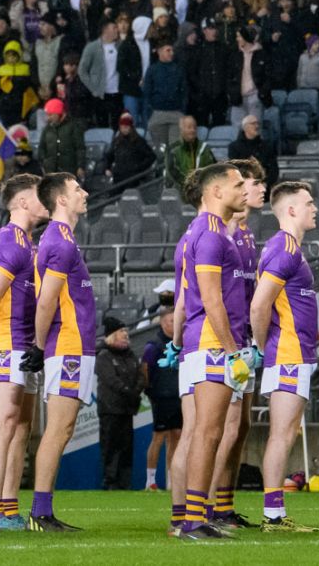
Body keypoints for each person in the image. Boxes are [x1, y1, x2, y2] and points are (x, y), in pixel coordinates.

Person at [174, 162, 249, 540]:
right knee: (207, 432)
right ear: (216, 191)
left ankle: (195, 516)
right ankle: (192, 519)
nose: (244, 190)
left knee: (211, 431)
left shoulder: (214, 232)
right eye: (237, 185)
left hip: (209, 342)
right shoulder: (209, 234)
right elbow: (210, 299)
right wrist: (234, 351)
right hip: (211, 342)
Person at [21, 172, 96, 531]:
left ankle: (42, 511)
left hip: (72, 345)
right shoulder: (60, 242)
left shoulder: (63, 238)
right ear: (61, 200)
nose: (84, 193)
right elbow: (47, 299)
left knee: (61, 429)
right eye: (77, 189)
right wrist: (38, 346)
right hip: (67, 345)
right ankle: (40, 512)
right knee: (58, 429)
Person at [249, 180, 319, 532]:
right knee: (281, 434)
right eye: (308, 203)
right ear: (291, 210)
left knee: (286, 433)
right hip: (288, 352)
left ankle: (275, 512)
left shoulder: (289, 248)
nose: (314, 208)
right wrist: (263, 348)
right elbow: (259, 304)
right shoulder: (285, 249)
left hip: (293, 352)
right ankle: (273, 514)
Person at [0, 174, 47, 528]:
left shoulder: (27, 242)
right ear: (22, 202)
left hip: (24, 345)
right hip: (6, 345)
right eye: (40, 196)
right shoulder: (10, 242)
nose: (47, 202)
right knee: (4, 424)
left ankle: (8, 505)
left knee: (21, 427)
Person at [207, 158, 268, 529]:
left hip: (243, 338)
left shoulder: (245, 234)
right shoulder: (223, 231)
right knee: (224, 427)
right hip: (224, 340)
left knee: (241, 425)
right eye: (253, 183)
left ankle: (224, 504)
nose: (259, 189)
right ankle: (208, 505)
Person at [97, 316, 143, 491]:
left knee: (126, 448)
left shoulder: (130, 355)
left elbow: (140, 376)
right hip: (110, 409)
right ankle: (110, 482)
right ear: (113, 335)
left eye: (126, 333)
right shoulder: (104, 355)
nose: (126, 336)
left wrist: (135, 390)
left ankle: (125, 482)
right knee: (110, 447)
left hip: (127, 409)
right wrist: (129, 391)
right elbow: (110, 380)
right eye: (122, 332)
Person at [140, 307, 180, 492]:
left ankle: (173, 480)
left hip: (178, 396)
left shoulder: (181, 343)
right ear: (163, 323)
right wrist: (151, 390)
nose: (175, 324)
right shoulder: (153, 345)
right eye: (171, 321)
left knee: (177, 437)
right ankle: (150, 480)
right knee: (159, 437)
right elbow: (145, 368)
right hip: (161, 397)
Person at [143, 42, 187, 150]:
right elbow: (147, 93)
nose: (171, 53)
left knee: (176, 150)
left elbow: (184, 91)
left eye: (172, 50)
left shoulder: (178, 69)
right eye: (168, 50)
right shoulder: (152, 70)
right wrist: (150, 113)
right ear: (159, 51)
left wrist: (182, 110)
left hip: (176, 112)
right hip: (158, 113)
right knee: (160, 151)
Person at [102, 112, 157, 194]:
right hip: (118, 176)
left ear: (130, 127)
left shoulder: (139, 141)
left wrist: (139, 168)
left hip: (133, 177)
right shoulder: (117, 141)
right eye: (122, 127)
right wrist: (107, 168)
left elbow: (151, 156)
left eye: (126, 127)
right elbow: (109, 156)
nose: (124, 129)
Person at [226, 114, 279, 188]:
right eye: (253, 123)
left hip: (264, 189)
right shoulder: (234, 147)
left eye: (258, 123)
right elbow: (234, 169)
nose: (257, 126)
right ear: (245, 127)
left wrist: (265, 183)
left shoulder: (267, 146)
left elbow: (274, 170)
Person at [36, 98, 86, 177]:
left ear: (59, 113)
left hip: (69, 170)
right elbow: (42, 148)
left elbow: (80, 148)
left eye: (51, 114)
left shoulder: (73, 127)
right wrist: (43, 163)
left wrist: (80, 166)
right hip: (51, 171)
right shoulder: (47, 129)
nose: (48, 118)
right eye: (47, 115)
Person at [163, 114, 216, 188]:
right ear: (181, 130)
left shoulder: (205, 148)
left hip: (201, 189)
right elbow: (171, 171)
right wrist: (188, 184)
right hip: (179, 190)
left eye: (194, 127)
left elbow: (213, 168)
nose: (192, 130)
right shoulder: (173, 149)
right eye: (189, 127)